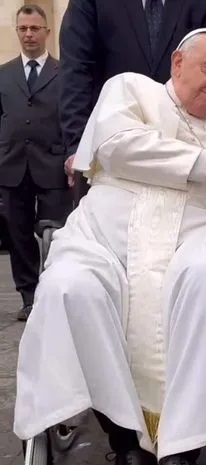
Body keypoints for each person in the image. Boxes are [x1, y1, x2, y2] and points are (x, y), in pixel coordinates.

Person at [13, 29, 206, 465]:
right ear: (178, 62)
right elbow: (117, 146)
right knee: (68, 286)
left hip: (189, 245)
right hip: (106, 242)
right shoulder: (129, 89)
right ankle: (129, 448)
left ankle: (180, 454)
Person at [59, 0, 206, 188]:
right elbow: (76, 71)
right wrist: (77, 146)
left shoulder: (202, 4)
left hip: (186, 159)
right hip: (110, 148)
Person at [0, 4, 71, 322]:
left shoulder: (64, 73)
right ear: (17, 31)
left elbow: (72, 117)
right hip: (12, 166)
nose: (28, 34)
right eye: (23, 29)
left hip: (52, 166)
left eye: (34, 28)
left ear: (46, 31)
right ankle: (29, 297)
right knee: (18, 234)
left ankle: (53, 293)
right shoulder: (4, 74)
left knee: (56, 235)